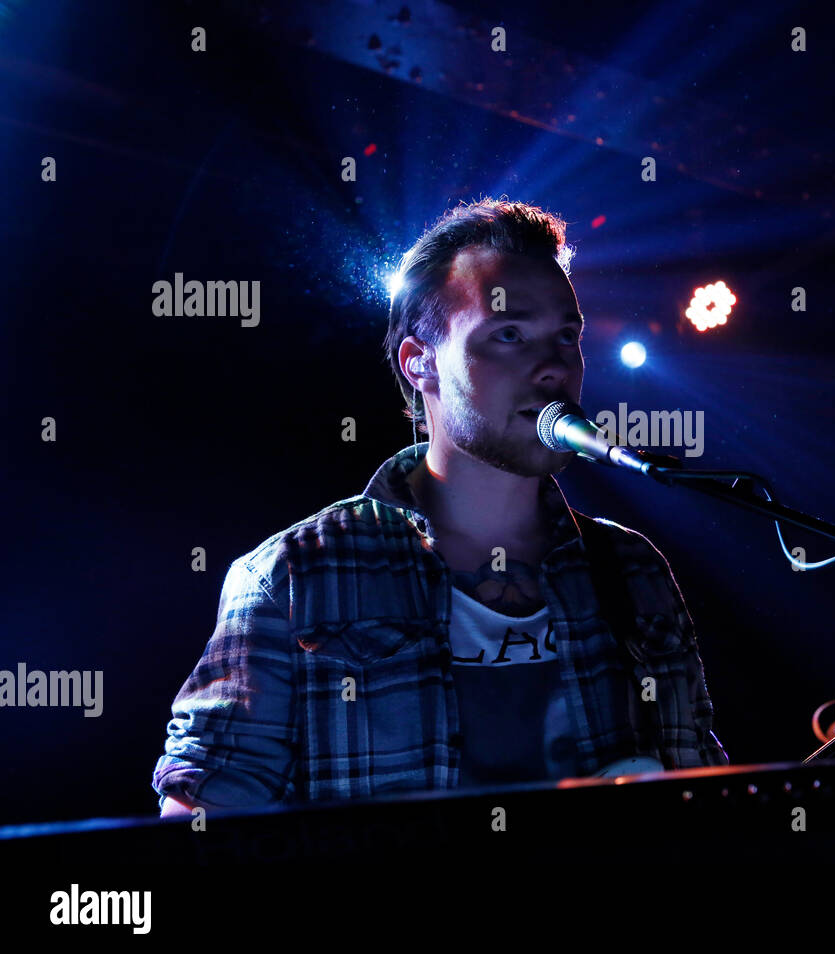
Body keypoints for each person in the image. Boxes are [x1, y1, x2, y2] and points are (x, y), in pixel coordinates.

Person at [153, 199, 727, 816]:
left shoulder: (633, 568)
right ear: (418, 361)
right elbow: (201, 818)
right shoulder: (293, 576)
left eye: (566, 336)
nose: (554, 366)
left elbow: (700, 793)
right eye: (509, 333)